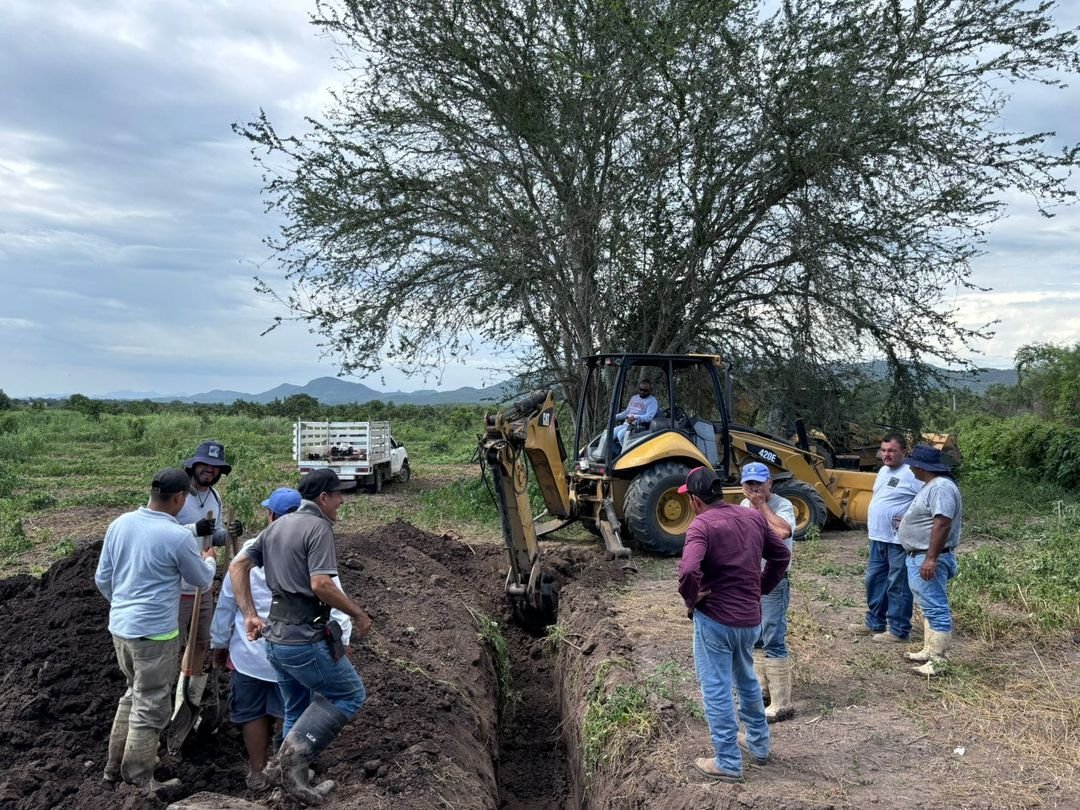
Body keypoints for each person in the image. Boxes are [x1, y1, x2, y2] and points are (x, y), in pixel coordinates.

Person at [229, 468, 373, 805]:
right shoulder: (318, 527)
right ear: (323, 498)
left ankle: (286, 785)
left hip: (276, 641)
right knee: (350, 693)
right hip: (303, 641)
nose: (342, 501)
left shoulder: (276, 527)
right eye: (338, 495)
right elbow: (321, 584)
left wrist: (251, 615)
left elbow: (237, 567)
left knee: (295, 707)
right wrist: (358, 613)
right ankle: (293, 762)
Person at [95, 468, 217, 794]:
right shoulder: (176, 536)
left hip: (120, 628)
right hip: (155, 635)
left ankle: (112, 769)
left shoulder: (120, 524)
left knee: (132, 693)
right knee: (151, 704)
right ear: (178, 498)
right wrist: (209, 559)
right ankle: (138, 778)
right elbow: (202, 581)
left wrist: (124, 608)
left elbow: (102, 579)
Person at [678, 466, 791, 783]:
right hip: (749, 620)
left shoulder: (701, 526)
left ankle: (727, 761)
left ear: (696, 500)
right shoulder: (753, 517)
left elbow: (688, 570)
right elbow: (781, 556)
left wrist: (692, 600)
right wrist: (760, 588)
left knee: (716, 688)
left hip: (716, 619)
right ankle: (758, 745)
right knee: (746, 681)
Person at [174, 440, 243, 716]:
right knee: (174, 644)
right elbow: (162, 530)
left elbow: (213, 537)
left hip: (202, 583)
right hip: (176, 585)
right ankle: (168, 692)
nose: (209, 471)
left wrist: (230, 534)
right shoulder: (178, 496)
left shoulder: (214, 497)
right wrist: (194, 528)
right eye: (205, 466)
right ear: (194, 465)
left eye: (215, 468)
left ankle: (188, 695)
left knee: (201, 641)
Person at [848, 434, 923, 643]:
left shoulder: (911, 473)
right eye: (884, 450)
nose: (886, 454)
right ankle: (874, 623)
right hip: (878, 537)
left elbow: (925, 500)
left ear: (903, 452)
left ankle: (899, 630)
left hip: (898, 540)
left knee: (897, 585)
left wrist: (909, 517)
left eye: (891, 450)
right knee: (875, 580)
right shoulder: (882, 471)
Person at [738, 462, 797, 723]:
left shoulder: (782, 506)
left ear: (769, 484)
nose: (754, 489)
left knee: (773, 634)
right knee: (755, 636)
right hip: (749, 579)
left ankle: (781, 702)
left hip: (774, 580)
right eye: (749, 484)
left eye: (759, 483)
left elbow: (783, 532)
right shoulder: (741, 506)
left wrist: (762, 507)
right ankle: (763, 689)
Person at [897, 444, 963, 676]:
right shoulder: (933, 485)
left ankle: (939, 659)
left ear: (921, 466)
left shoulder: (941, 487)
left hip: (928, 556)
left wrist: (931, 558)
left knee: (936, 607)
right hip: (920, 554)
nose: (911, 468)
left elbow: (942, 522)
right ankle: (930, 649)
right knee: (928, 605)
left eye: (913, 464)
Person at [612, 378, 658, 449]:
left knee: (621, 435)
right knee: (607, 436)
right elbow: (627, 412)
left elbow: (649, 417)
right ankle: (617, 455)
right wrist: (615, 416)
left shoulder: (652, 401)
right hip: (626, 424)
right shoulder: (634, 398)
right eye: (641, 389)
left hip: (639, 427)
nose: (642, 392)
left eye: (645, 390)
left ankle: (626, 456)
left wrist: (635, 417)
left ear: (650, 390)